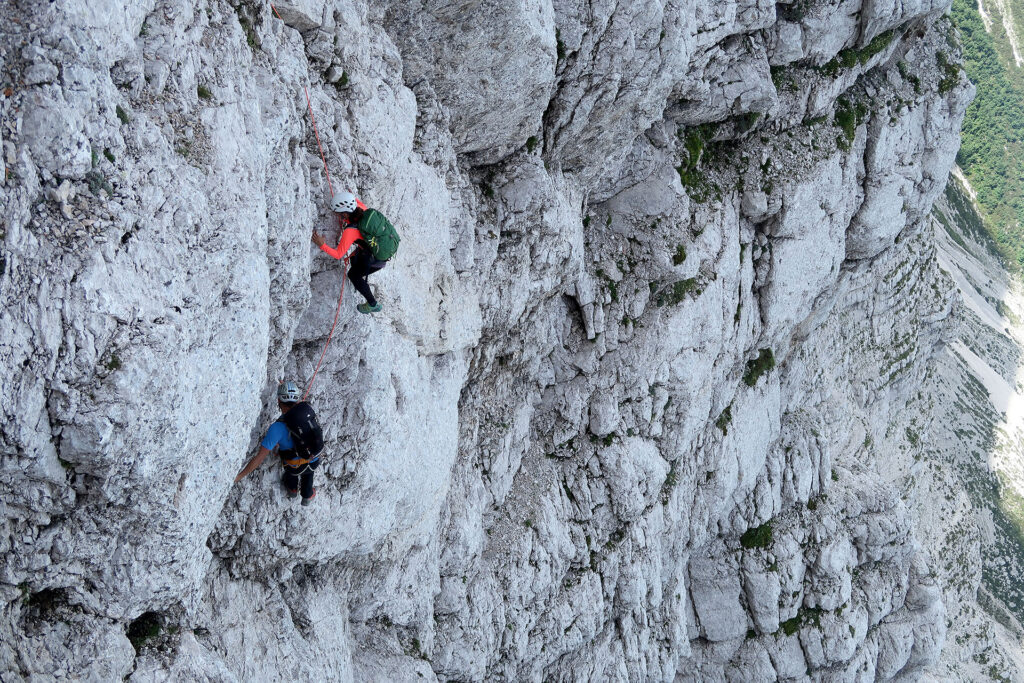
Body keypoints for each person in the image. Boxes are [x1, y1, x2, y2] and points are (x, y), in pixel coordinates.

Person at [234, 381, 324, 506]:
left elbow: (259, 458)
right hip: (313, 460)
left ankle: (292, 489)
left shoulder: (276, 428)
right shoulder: (307, 412)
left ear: (278, 401)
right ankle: (307, 495)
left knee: (290, 470)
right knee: (308, 475)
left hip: (294, 468)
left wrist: (239, 476)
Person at [311, 191, 400, 314]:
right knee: (355, 262)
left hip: (376, 260)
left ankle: (372, 304)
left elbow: (338, 255)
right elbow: (354, 199)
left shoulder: (350, 231)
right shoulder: (362, 208)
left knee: (353, 275)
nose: (337, 216)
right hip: (381, 252)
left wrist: (322, 245)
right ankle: (361, 278)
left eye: (338, 214)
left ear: (345, 215)